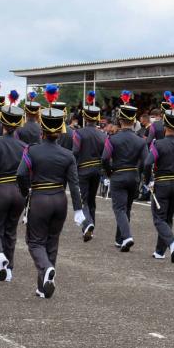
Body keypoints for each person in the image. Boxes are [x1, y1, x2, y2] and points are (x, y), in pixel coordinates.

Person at [16, 92, 86, 298]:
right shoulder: (68, 155)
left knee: (35, 242)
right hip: (60, 200)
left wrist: (25, 192)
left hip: (39, 198)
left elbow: (20, 174)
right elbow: (74, 184)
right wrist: (79, 210)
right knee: (52, 241)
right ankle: (43, 286)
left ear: (42, 129)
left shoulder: (31, 151)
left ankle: (46, 269)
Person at [0, 100, 27, 281]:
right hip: (18, 193)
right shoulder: (25, 147)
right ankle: (9, 270)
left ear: (2, 122)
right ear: (18, 125)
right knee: (10, 231)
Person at [102, 90, 147, 252]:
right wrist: (139, 174)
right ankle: (119, 239)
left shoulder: (112, 139)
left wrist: (109, 172)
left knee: (119, 209)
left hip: (118, 175)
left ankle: (127, 237)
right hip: (133, 176)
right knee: (126, 208)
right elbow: (146, 160)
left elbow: (105, 159)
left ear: (120, 120)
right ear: (133, 120)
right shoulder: (141, 141)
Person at [143, 95, 174, 262]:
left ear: (166, 125)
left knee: (158, 218)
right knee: (168, 218)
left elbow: (148, 163)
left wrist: (148, 181)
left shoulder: (158, 144)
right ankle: (160, 251)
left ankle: (172, 242)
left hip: (161, 183)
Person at [72, 91, 106, 241]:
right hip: (97, 170)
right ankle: (90, 230)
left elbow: (75, 151)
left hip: (83, 170)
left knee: (83, 200)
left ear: (85, 117)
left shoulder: (78, 133)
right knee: (92, 200)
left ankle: (88, 224)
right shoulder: (103, 135)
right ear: (97, 118)